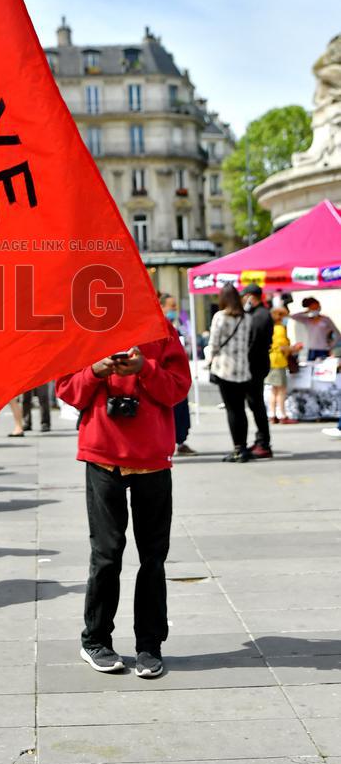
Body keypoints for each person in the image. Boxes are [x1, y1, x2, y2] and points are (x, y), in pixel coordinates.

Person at [56, 325, 190, 679]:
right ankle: (95, 639)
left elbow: (177, 389)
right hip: (102, 455)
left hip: (152, 459)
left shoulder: (163, 333)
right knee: (106, 554)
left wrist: (145, 369)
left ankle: (149, 645)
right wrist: (95, 371)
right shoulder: (85, 330)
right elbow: (67, 390)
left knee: (153, 557)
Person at [208, 284, 252, 462]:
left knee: (232, 410)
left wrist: (209, 360)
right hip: (243, 369)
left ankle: (237, 449)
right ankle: (243, 447)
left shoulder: (220, 317)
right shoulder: (246, 318)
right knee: (241, 410)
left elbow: (214, 343)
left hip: (225, 369)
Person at [159, 294, 196, 455]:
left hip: (178, 375)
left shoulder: (179, 324)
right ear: (161, 306)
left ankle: (181, 440)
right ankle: (168, 443)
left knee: (181, 412)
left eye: (175, 306)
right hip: (165, 377)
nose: (174, 309)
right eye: (171, 306)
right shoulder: (159, 326)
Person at [242, 284, 274, 458]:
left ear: (250, 296)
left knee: (257, 405)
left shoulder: (260, 315)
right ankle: (261, 439)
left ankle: (263, 442)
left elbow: (253, 342)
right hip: (257, 364)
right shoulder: (257, 314)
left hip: (255, 365)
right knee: (255, 404)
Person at [267, 308, 301, 425]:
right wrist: (294, 348)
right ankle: (282, 414)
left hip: (271, 360)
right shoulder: (280, 329)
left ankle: (272, 414)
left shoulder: (270, 328)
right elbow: (282, 347)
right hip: (279, 361)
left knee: (273, 390)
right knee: (281, 390)